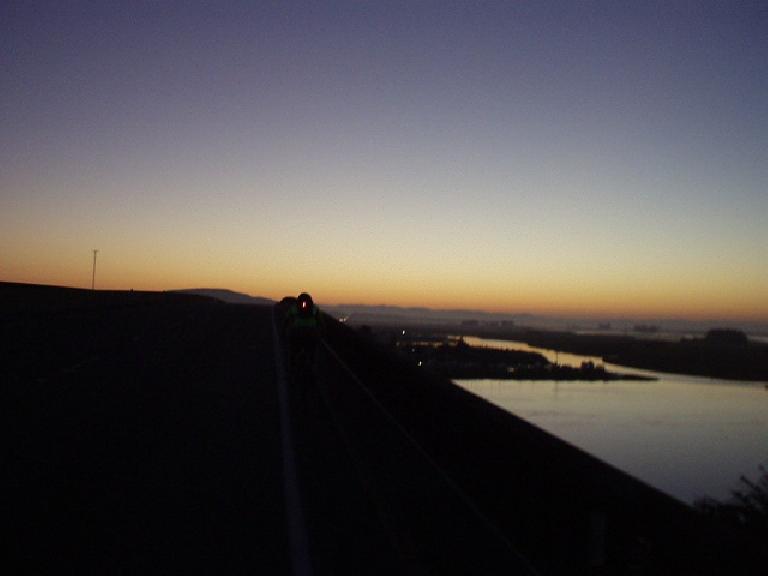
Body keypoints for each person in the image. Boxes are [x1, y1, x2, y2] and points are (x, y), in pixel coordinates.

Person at [284, 292, 323, 372]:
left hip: (297, 331)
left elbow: (286, 319)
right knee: (312, 351)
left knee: (293, 350)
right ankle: (313, 368)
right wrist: (321, 332)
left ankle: (292, 367)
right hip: (311, 332)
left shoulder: (294, 308)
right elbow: (320, 321)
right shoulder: (314, 308)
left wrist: (284, 329)